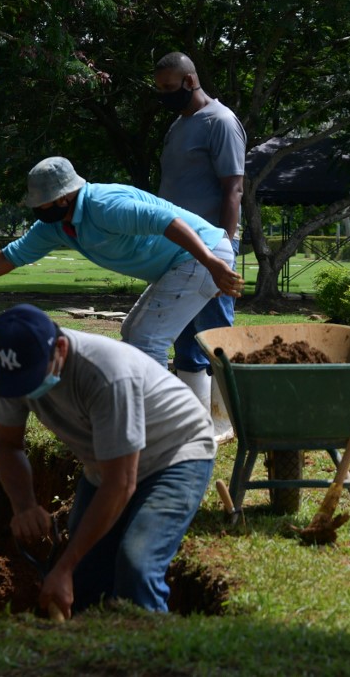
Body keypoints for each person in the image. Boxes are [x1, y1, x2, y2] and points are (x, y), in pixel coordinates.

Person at [0, 304, 215, 616]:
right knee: (85, 578)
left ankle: (154, 653)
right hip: (106, 464)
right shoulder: (13, 373)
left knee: (137, 564)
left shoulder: (106, 373)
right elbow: (6, 443)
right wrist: (24, 505)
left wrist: (63, 568)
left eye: (32, 378)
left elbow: (120, 484)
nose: (26, 390)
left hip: (175, 451)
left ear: (61, 347)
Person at [0, 156, 244, 370]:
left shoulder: (105, 205)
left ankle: (157, 429)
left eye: (41, 203)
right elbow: (8, 257)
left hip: (201, 253)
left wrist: (212, 263)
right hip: (186, 260)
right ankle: (196, 420)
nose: (37, 209)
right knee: (133, 331)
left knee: (148, 339)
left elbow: (169, 222)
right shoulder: (56, 225)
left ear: (63, 198)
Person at [154, 52, 247, 441]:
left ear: (190, 81)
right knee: (183, 331)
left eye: (169, 88)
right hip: (177, 245)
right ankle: (197, 422)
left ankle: (226, 422)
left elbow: (233, 187)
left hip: (213, 243)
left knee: (215, 330)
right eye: (159, 88)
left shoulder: (221, 122)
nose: (163, 95)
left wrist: (223, 245)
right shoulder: (178, 125)